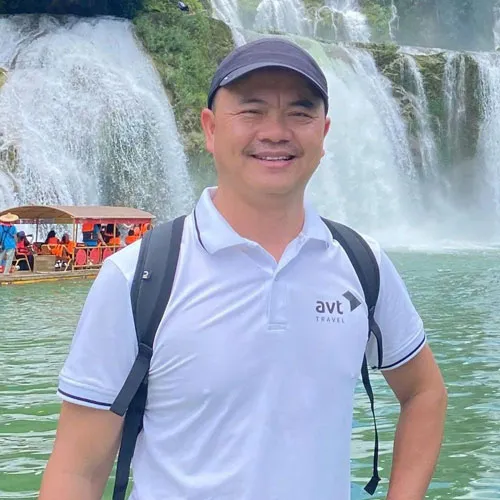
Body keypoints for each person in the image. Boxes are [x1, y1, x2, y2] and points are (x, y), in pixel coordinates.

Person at [39, 38, 447, 500]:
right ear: (210, 129)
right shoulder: (137, 276)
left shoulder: (362, 263)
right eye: (252, 111)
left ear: (324, 133)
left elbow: (425, 392)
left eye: (300, 112)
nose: (275, 132)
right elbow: (78, 470)